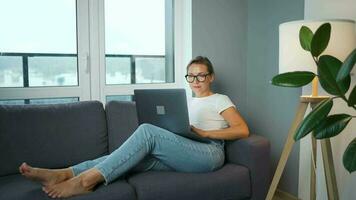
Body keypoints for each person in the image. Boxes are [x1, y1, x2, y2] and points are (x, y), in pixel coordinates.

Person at [19, 56, 250, 198]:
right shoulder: (186, 102)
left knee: (147, 131)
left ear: (211, 77)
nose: (196, 81)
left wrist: (205, 132)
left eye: (201, 76)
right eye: (191, 77)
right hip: (187, 150)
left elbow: (242, 130)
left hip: (209, 152)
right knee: (132, 157)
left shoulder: (220, 99)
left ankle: (85, 181)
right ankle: (63, 173)